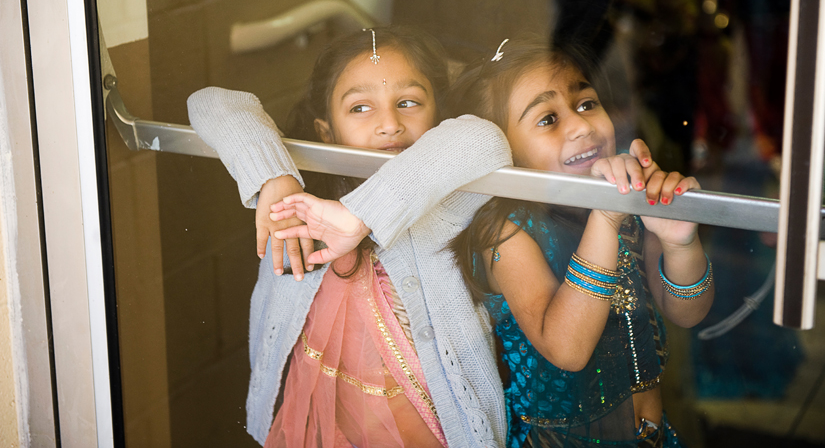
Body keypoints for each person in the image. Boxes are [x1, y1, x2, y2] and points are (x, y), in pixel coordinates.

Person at [273, 37, 713, 448]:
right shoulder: (507, 231)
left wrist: (678, 243)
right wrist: (606, 218)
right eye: (548, 119)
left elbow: (686, 312)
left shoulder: (625, 206)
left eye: (586, 103)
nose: (580, 126)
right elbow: (568, 349)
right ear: (507, 150)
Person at [187, 26, 511, 447]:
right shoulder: (297, 208)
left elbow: (484, 139)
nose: (389, 124)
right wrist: (274, 176)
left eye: (409, 102)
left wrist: (359, 218)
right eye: (361, 108)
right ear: (325, 131)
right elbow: (209, 102)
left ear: (438, 118)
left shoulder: (441, 204)